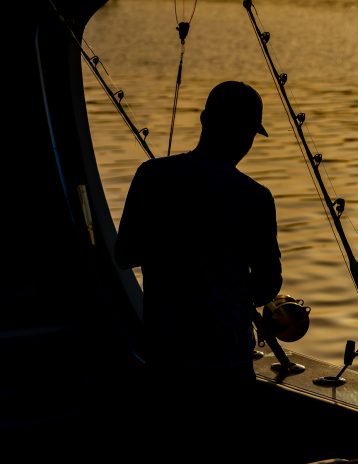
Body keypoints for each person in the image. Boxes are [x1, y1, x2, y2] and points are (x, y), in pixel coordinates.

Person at [113, 82, 282, 440]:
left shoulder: (151, 176)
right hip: (228, 366)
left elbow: (125, 254)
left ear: (205, 119)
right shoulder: (255, 198)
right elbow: (268, 284)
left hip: (165, 360)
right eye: (249, 133)